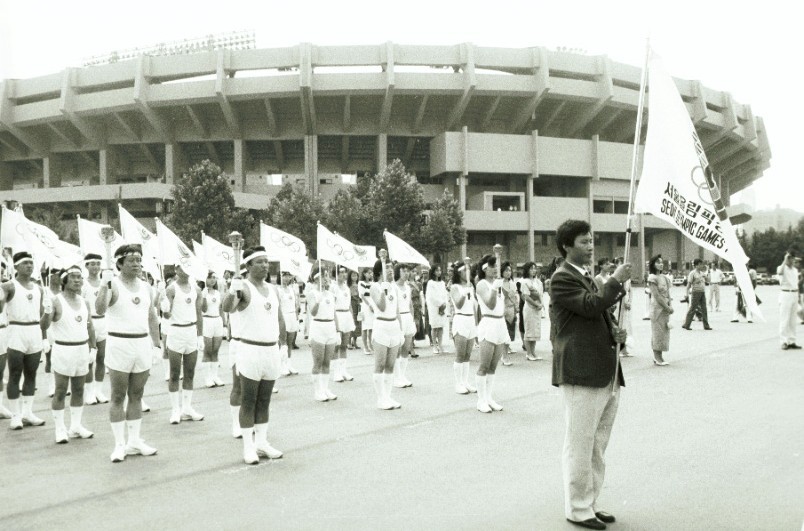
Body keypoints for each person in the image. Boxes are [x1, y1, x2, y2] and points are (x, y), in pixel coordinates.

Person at [550, 219, 629, 530]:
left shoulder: (587, 277)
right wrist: (615, 281)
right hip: (581, 372)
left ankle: (590, 501)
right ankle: (578, 508)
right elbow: (590, 305)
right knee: (580, 443)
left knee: (597, 443)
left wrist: (615, 332)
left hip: (603, 370)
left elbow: (598, 314)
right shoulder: (562, 278)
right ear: (567, 246)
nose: (591, 245)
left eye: (592, 240)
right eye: (584, 241)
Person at [96, 244, 161, 463]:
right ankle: (119, 445)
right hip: (119, 343)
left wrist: (157, 344)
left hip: (141, 344)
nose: (137, 264)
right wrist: (105, 286)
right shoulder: (112, 284)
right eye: (132, 260)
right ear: (120, 264)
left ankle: (134, 441)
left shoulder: (146, 287)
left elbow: (152, 316)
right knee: (117, 396)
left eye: (139, 260)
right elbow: (99, 309)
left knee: (137, 395)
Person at [221, 246, 285, 464]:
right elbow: (227, 308)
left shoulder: (273, 289)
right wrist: (233, 288)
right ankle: (248, 447)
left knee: (265, 400)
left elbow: (279, 318)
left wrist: (283, 345)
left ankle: (262, 443)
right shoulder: (243, 288)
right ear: (247, 266)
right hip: (250, 350)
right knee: (249, 400)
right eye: (259, 262)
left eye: (267, 261)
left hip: (271, 350)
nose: (265, 265)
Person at [0, 251, 51, 430]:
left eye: (31, 263)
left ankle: (27, 413)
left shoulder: (38, 288)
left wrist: (48, 312)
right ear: (16, 267)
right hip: (16, 330)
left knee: (31, 374)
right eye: (25, 263)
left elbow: (42, 319)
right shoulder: (9, 286)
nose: (29, 266)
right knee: (15, 373)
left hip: (34, 331)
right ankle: (15, 415)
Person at [49, 265, 97, 443]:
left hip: (81, 349)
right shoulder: (55, 301)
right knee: (61, 391)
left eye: (80, 277)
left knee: (79, 389)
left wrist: (93, 348)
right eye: (74, 277)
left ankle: (75, 426)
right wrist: (47, 312)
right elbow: (44, 325)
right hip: (63, 349)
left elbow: (89, 325)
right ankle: (60, 429)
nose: (78, 280)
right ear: (64, 281)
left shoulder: (85, 302)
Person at [161, 262, 205, 424]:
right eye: (182, 268)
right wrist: (165, 309)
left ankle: (187, 407)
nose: (186, 271)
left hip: (191, 331)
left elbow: (199, 313)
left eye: (188, 267)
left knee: (190, 372)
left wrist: (200, 335)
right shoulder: (171, 289)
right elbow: (166, 316)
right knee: (174, 373)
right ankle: (175, 410)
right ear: (176, 270)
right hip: (176, 332)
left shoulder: (197, 290)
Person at [474, 255, 508, 413]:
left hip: (500, 324)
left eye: (496, 266)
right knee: (484, 365)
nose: (495, 269)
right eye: (492, 266)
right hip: (488, 324)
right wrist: (495, 287)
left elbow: (501, 304)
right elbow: (490, 303)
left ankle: (489, 398)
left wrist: (498, 287)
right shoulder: (481, 284)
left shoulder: (498, 284)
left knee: (493, 366)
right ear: (484, 269)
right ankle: (481, 400)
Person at [369, 257, 402, 410]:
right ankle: (380, 398)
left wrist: (401, 331)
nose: (390, 270)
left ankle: (388, 396)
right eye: (387, 267)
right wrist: (383, 289)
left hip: (393, 326)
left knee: (390, 365)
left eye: (391, 267)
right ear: (380, 270)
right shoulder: (374, 287)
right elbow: (381, 306)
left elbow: (397, 311)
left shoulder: (394, 287)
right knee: (380, 364)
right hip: (381, 325)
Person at [307, 266, 339, 401]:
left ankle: (325, 389)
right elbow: (313, 312)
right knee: (318, 361)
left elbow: (334, 313)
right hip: (318, 327)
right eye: (324, 276)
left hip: (330, 327)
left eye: (327, 276)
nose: (327, 279)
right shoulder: (312, 293)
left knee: (327, 362)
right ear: (317, 278)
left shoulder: (331, 295)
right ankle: (317, 391)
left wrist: (337, 331)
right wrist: (318, 301)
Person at [81, 254, 109, 405]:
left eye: (98, 264)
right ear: (86, 266)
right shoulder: (83, 284)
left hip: (103, 322)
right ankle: (89, 392)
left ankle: (98, 391)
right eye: (93, 264)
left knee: (101, 358)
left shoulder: (104, 283)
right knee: (89, 359)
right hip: (89, 323)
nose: (96, 267)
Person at [450, 260, 477, 395]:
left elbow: (473, 305)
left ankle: (465, 382)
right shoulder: (455, 287)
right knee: (460, 354)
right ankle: (458, 383)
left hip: (470, 320)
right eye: (465, 270)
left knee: (467, 355)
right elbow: (459, 304)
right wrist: (464, 291)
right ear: (459, 272)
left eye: (468, 270)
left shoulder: (471, 286)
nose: (468, 273)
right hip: (460, 319)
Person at [201, 272, 226, 387]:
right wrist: (204, 296)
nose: (212, 280)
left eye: (214, 278)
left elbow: (221, 309)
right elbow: (204, 309)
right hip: (207, 321)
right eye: (209, 277)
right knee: (208, 350)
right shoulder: (202, 293)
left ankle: (215, 376)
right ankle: (207, 378)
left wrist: (224, 324)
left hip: (217, 321)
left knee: (216, 350)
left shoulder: (218, 293)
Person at [331, 265, 356, 383]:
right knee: (336, 345)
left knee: (344, 345)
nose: (343, 275)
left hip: (346, 316)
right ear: (335, 275)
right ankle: (336, 372)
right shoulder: (333, 287)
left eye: (345, 272)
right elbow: (332, 305)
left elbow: (349, 304)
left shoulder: (347, 288)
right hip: (337, 315)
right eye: (340, 273)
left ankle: (343, 370)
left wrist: (352, 318)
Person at [393, 263, 416, 387]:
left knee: (406, 349)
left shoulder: (408, 287)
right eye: (404, 271)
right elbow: (395, 306)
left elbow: (410, 304)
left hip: (407, 317)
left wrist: (412, 319)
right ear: (398, 272)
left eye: (408, 271)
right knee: (397, 348)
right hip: (398, 317)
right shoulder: (393, 287)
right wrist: (399, 322)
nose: (406, 273)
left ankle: (402, 375)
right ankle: (396, 377)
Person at [647, 255, 673, 366]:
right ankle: (657, 357)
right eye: (658, 262)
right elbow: (656, 295)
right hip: (657, 309)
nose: (661, 264)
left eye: (662, 262)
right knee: (657, 333)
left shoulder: (665, 277)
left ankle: (660, 356)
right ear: (653, 264)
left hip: (665, 309)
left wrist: (670, 305)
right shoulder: (652, 278)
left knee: (664, 333)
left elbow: (668, 293)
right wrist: (666, 307)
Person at [277, 271, 300, 376]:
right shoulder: (278, 290)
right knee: (283, 343)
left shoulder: (292, 289)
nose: (286, 278)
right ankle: (282, 365)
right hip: (283, 316)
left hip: (292, 316)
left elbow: (295, 304)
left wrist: (296, 315)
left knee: (290, 342)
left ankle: (289, 364)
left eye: (288, 276)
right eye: (284, 276)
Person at [777, 250, 801, 350]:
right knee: (784, 319)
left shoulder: (795, 270)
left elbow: (796, 284)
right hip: (785, 293)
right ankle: (784, 341)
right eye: (790, 258)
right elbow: (779, 272)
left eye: (792, 258)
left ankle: (792, 341)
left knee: (792, 320)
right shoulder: (782, 268)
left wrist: (798, 297)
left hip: (794, 294)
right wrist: (784, 260)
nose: (792, 260)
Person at [520, 261, 544, 361]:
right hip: (529, 308)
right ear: (527, 270)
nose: (534, 270)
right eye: (531, 268)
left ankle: (533, 352)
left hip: (538, 308)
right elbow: (526, 296)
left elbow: (541, 295)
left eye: (535, 268)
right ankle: (528, 353)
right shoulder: (524, 282)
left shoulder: (538, 282)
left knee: (535, 330)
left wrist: (541, 304)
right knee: (529, 330)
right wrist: (535, 304)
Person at [682, 259, 712, 331]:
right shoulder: (692, 273)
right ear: (696, 265)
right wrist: (686, 294)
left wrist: (709, 271)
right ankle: (687, 324)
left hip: (702, 292)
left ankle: (706, 325)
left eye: (701, 264)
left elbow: (708, 280)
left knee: (704, 309)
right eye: (700, 264)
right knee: (693, 308)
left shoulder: (702, 273)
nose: (701, 265)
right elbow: (688, 285)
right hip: (695, 292)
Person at [425, 265, 448, 355]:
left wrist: (445, 303)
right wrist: (440, 303)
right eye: (437, 270)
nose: (439, 272)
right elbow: (431, 296)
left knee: (441, 326)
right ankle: (434, 345)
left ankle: (441, 345)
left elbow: (445, 294)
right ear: (433, 272)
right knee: (435, 327)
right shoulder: (430, 283)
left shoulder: (442, 283)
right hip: (434, 307)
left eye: (440, 270)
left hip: (442, 306)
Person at [499, 261, 518, 365]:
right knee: (503, 333)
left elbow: (515, 297)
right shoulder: (499, 283)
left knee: (510, 332)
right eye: (506, 270)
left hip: (511, 309)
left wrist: (516, 309)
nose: (508, 272)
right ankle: (504, 356)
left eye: (510, 270)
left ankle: (505, 352)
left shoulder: (512, 283)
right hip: (502, 310)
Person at [358, 268, 374, 354]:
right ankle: (365, 346)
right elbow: (362, 295)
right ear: (364, 274)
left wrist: (373, 305)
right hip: (365, 305)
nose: (370, 274)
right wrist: (369, 305)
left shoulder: (372, 283)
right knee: (365, 327)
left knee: (371, 327)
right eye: (369, 273)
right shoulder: (361, 283)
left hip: (372, 305)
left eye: (371, 273)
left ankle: (370, 344)